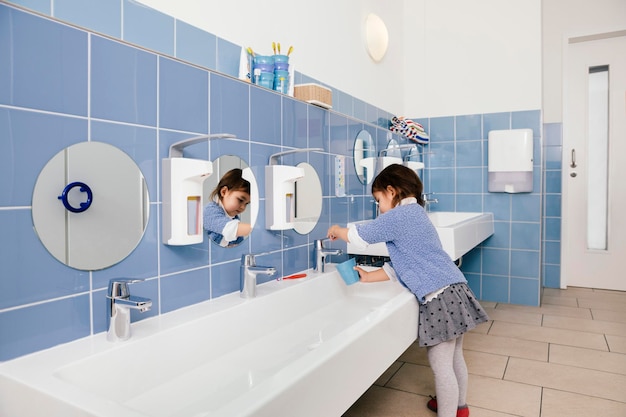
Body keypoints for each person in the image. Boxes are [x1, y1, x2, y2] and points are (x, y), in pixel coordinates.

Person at [327, 163, 489, 417]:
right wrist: (370, 277)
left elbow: (362, 236)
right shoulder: (417, 214)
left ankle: (449, 412)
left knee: (441, 365)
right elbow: (407, 263)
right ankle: (460, 406)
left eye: (378, 200)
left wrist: (338, 231)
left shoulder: (398, 216)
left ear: (391, 191)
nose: (379, 207)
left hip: (438, 296)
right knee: (455, 355)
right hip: (455, 288)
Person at [203, 168, 252, 247]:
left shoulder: (234, 218)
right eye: (240, 200)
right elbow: (230, 229)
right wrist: (256, 229)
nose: (243, 207)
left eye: (247, 203)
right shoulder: (210, 212)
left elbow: (238, 243)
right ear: (224, 192)